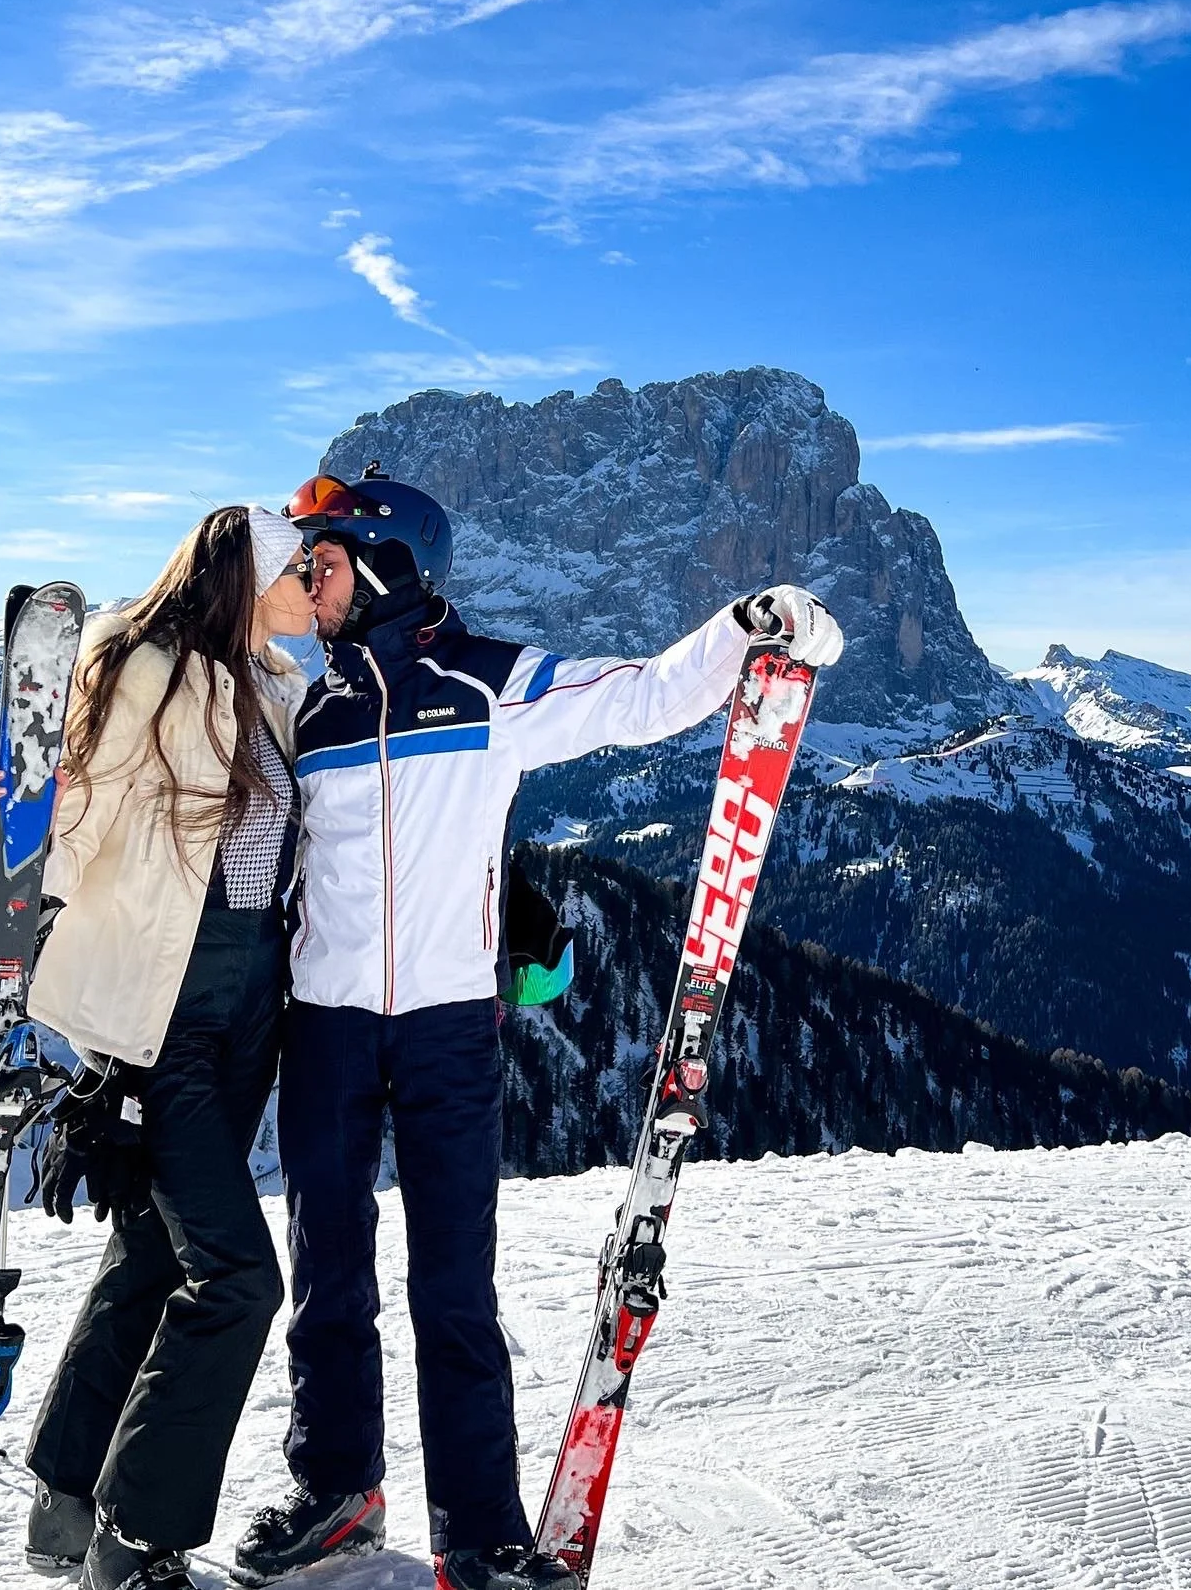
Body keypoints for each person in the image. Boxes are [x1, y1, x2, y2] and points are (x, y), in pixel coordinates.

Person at [232, 465, 844, 1590]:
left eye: (319, 560)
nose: (302, 580)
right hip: (320, 1026)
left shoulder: (487, 686)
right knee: (327, 1274)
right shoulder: (300, 707)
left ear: (382, 564)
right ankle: (337, 1489)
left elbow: (642, 694)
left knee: (454, 1285)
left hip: (447, 1028)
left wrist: (740, 626)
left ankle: (478, 1531)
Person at [0, 506, 314, 1590]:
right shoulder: (148, 665)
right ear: (248, 576)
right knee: (238, 1280)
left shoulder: (274, 688)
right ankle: (137, 1539)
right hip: (164, 1025)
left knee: (157, 1256)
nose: (316, 584)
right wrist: (19, 826)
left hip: (245, 1020)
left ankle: (65, 1503)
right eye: (300, 569)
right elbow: (76, 808)